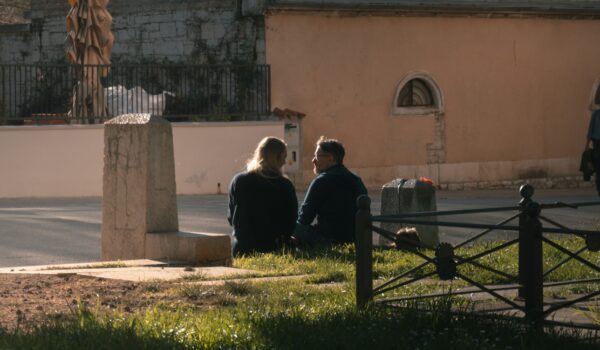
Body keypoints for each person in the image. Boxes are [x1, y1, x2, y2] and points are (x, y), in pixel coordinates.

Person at [228, 137, 298, 255]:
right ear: (279, 156)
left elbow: (231, 217)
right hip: (275, 248)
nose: (285, 162)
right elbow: (291, 220)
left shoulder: (239, 180)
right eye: (284, 157)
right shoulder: (284, 184)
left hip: (243, 248)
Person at [293, 136, 368, 245]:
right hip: (354, 240)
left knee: (289, 225)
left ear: (331, 158)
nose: (313, 160)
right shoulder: (357, 180)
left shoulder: (322, 181)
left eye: (317, 156)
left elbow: (304, 219)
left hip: (327, 239)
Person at [585, 109, 600, 196]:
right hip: (597, 144)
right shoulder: (596, 114)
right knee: (598, 168)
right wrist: (586, 146)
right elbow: (590, 130)